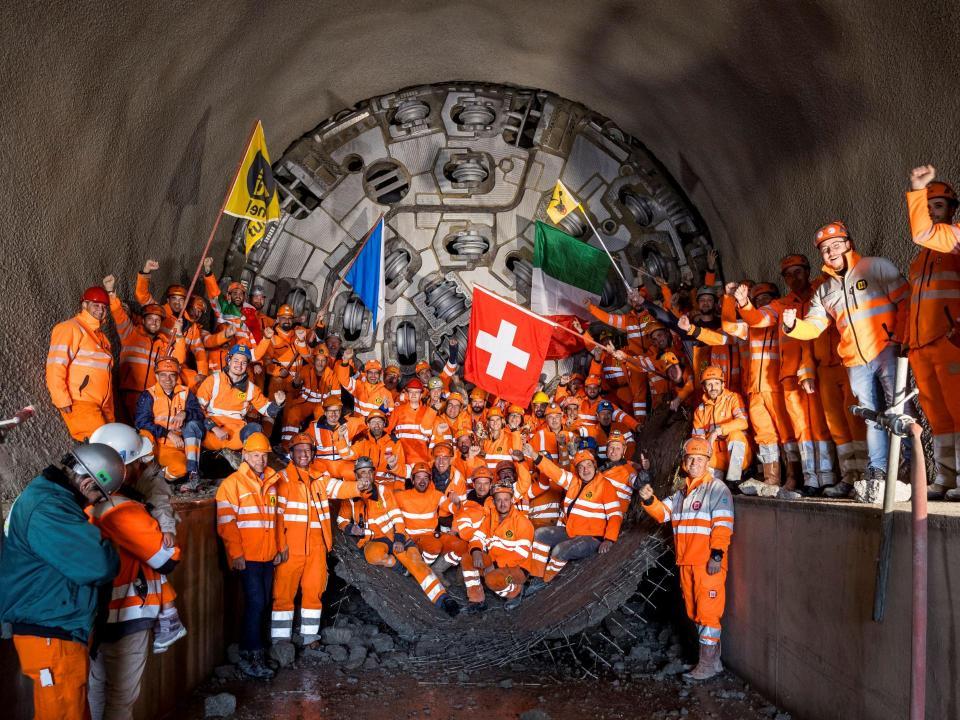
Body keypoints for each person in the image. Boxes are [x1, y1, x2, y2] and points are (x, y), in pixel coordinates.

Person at [782, 220, 911, 502]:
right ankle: (878, 471)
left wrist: (902, 340)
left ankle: (911, 471)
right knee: (871, 417)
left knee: (899, 411)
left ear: (849, 244)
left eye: (836, 246)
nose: (831, 253)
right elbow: (814, 327)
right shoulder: (825, 291)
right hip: (855, 360)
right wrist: (793, 327)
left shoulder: (875, 267)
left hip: (887, 351)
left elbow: (905, 300)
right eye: (825, 249)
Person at [0, 443, 122, 720]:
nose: (94, 503)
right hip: (52, 635)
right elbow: (99, 564)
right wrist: (108, 547)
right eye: (97, 495)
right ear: (88, 481)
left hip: (55, 631)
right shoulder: (48, 508)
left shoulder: (50, 499)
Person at [86, 469, 184, 720]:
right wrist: (166, 529)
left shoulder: (88, 507)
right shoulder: (124, 509)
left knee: (97, 686)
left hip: (94, 615)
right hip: (127, 615)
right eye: (139, 463)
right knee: (121, 696)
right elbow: (166, 559)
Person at [639, 436, 734, 681]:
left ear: (707, 462)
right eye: (691, 458)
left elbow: (723, 525)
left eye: (699, 459)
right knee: (694, 612)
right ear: (684, 463)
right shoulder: (681, 494)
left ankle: (707, 664)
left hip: (707, 563)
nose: (694, 463)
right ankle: (714, 663)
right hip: (686, 562)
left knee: (708, 612)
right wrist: (648, 499)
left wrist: (717, 554)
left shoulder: (716, 489)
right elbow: (662, 514)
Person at [335, 457, 460, 616]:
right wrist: (351, 528)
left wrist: (400, 539)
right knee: (372, 555)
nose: (366, 476)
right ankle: (400, 568)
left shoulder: (383, 491)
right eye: (362, 473)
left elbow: (396, 517)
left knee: (417, 565)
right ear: (356, 475)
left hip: (395, 535)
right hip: (374, 539)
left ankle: (443, 599)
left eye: (369, 472)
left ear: (374, 474)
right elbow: (341, 520)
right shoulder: (350, 497)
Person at [271, 434, 364, 646]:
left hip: (316, 547)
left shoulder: (319, 478)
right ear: (291, 453)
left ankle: (310, 636)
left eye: (308, 450)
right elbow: (275, 517)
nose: (304, 454)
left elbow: (339, 488)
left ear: (313, 454)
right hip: (289, 548)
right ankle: (280, 641)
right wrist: (279, 546)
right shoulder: (282, 480)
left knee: (314, 591)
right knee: (283, 593)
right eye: (299, 450)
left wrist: (360, 486)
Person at [904, 165, 960, 500]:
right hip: (922, 346)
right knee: (938, 417)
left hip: (951, 341)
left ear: (952, 210)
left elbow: (923, 233)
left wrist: (916, 190)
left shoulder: (954, 240)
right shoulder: (919, 261)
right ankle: (947, 476)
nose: (931, 213)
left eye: (937, 206)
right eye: (927, 207)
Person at [215, 432, 285, 679]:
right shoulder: (232, 484)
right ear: (244, 455)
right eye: (255, 456)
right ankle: (251, 654)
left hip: (266, 554)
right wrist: (236, 554)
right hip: (247, 556)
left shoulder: (272, 482)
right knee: (256, 603)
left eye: (264, 456)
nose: (260, 460)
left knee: (263, 602)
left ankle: (254, 650)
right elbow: (226, 522)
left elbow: (276, 518)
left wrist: (278, 548)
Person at [524, 445, 623, 587]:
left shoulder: (605, 486)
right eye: (581, 467)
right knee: (540, 534)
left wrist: (609, 539)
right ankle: (536, 576)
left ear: (595, 466)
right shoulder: (573, 481)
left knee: (560, 550)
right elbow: (554, 472)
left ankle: (546, 580)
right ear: (577, 470)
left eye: (589, 465)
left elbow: (615, 515)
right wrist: (535, 455)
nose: (586, 469)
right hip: (571, 531)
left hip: (592, 537)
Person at [46, 285, 115, 440]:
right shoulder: (70, 327)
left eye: (104, 307)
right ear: (84, 305)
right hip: (81, 402)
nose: (100, 310)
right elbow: (56, 365)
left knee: (111, 451)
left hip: (104, 405)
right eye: (96, 305)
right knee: (102, 448)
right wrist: (61, 398)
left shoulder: (101, 337)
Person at [195, 344, 285, 453]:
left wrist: (278, 404)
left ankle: (246, 465)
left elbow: (266, 410)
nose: (239, 365)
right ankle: (193, 468)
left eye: (244, 362)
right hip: (212, 433)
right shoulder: (213, 380)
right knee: (192, 425)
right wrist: (214, 428)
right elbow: (197, 408)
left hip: (235, 435)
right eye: (236, 360)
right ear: (229, 361)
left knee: (255, 428)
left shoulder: (251, 388)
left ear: (247, 365)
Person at [462, 479, 535, 613]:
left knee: (493, 580)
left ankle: (516, 591)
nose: (502, 504)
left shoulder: (522, 522)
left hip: (518, 569)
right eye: (499, 500)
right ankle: (477, 600)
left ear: (511, 500)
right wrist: (476, 550)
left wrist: (495, 565)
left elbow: (521, 554)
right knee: (468, 559)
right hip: (494, 562)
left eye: (506, 499)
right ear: (493, 501)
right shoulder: (490, 519)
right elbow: (477, 537)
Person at [135, 356, 205, 488]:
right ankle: (147, 469)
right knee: (143, 433)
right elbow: (141, 422)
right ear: (156, 376)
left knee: (180, 469)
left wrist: (185, 413)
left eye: (172, 375)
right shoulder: (149, 394)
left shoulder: (185, 392)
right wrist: (167, 433)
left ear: (177, 376)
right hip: (154, 444)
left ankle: (160, 477)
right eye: (163, 375)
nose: (167, 379)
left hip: (174, 447)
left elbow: (199, 415)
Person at [691, 366, 751, 488]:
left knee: (736, 434)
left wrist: (717, 431)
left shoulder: (733, 398)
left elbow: (743, 422)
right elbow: (697, 440)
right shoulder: (700, 411)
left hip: (738, 458)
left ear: (723, 385)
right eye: (709, 384)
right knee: (707, 485)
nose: (713, 388)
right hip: (716, 458)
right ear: (704, 387)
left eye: (717, 383)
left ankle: (734, 480)